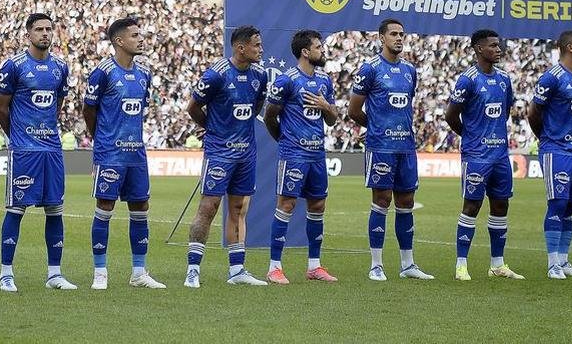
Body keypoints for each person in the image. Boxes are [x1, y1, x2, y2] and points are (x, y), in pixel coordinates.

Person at [0, 12, 77, 291]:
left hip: (51, 149)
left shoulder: (60, 67)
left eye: (48, 29)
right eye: (39, 29)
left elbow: (57, 106)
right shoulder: (14, 66)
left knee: (55, 209)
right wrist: (18, 136)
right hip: (24, 150)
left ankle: (55, 274)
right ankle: (6, 273)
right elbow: (1, 108)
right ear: (28, 34)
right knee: (16, 209)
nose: (45, 33)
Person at [183, 25, 269, 288]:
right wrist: (212, 128)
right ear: (241, 48)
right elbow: (193, 107)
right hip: (219, 152)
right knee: (208, 208)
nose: (261, 49)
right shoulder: (216, 74)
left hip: (246, 152)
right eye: (256, 44)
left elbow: (256, 106)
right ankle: (193, 270)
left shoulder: (260, 75)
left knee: (239, 209)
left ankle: (237, 270)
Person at [83, 17, 165, 290]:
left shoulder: (145, 74)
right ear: (119, 41)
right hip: (110, 153)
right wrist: (102, 140)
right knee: (105, 207)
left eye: (140, 34)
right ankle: (100, 273)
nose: (141, 39)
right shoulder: (103, 72)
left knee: (141, 207)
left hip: (136, 154)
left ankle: (139, 273)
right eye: (135, 35)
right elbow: (88, 110)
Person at [350, 19, 432, 282]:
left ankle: (408, 265)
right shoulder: (370, 69)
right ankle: (376, 265)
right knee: (382, 200)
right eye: (394, 34)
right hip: (381, 147)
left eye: (402, 34)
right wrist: (376, 128)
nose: (399, 38)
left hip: (406, 147)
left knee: (406, 203)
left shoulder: (410, 70)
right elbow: (353, 110)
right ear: (381, 38)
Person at [444, 28, 524, 281]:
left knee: (501, 205)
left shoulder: (504, 79)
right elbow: (451, 115)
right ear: (479, 49)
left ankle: (497, 264)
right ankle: (461, 265)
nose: (498, 49)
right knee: (472, 206)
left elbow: (505, 111)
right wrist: (470, 136)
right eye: (493, 45)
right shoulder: (467, 80)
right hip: (476, 156)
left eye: (498, 45)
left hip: (500, 155)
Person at [263, 29, 340, 284]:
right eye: (318, 47)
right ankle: (274, 267)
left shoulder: (325, 81)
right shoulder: (287, 81)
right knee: (286, 205)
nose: (323, 50)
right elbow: (270, 116)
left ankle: (314, 266)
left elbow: (332, 119)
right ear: (305, 52)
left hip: (317, 155)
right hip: (293, 154)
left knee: (318, 206)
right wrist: (285, 141)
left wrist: (325, 106)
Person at [527, 29, 572, 280]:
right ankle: (552, 263)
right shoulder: (551, 77)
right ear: (569, 47)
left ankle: (564, 261)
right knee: (558, 203)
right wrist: (546, 138)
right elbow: (534, 112)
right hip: (556, 149)